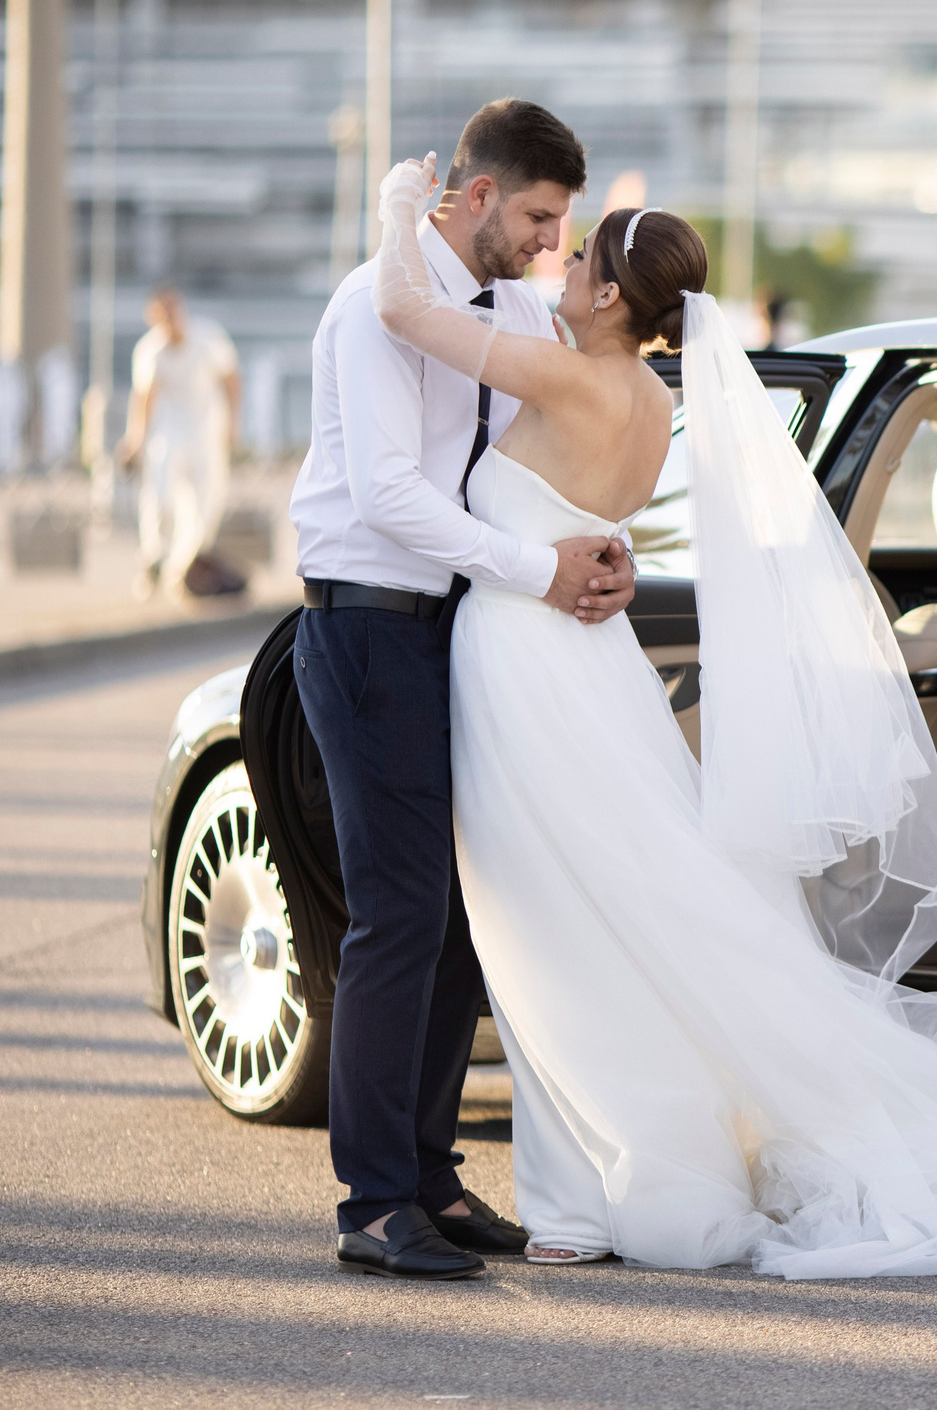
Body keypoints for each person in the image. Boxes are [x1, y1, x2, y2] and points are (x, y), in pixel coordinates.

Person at [369, 154, 937, 1278]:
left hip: (528, 662)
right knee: (603, 914)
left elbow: (400, 306)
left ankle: (592, 1197)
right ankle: (602, 1182)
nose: (560, 270)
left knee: (549, 926)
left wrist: (395, 205)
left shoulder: (570, 379)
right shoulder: (651, 396)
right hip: (588, 661)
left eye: (579, 260)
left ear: (615, 298)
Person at [289, 100, 637, 1281]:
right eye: (539, 217)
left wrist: (592, 544)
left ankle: (429, 1179)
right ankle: (372, 1203)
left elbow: (549, 447)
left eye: (564, 226)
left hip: (459, 632)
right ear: (478, 195)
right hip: (370, 629)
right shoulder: (371, 304)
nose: (552, 245)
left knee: (459, 928)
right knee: (401, 914)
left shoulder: (516, 305)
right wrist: (541, 571)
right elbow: (389, 494)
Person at [117, 288, 240, 599]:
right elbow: (144, 397)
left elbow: (231, 380)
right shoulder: (150, 351)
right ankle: (153, 559)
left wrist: (232, 425)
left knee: (205, 501)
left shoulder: (208, 338)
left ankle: (186, 566)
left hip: (207, 430)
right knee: (158, 494)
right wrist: (135, 440)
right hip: (170, 430)